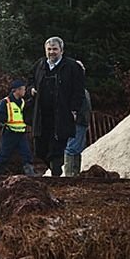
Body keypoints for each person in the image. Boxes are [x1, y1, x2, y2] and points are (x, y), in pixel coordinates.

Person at [28, 36, 86, 177]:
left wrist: (74, 109)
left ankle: (56, 175)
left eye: (55, 49)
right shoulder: (40, 65)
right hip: (42, 115)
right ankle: (54, 168)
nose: (52, 52)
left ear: (61, 50)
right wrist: (31, 89)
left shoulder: (71, 67)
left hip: (61, 114)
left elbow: (79, 91)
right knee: (40, 149)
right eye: (49, 49)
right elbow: (30, 80)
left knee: (57, 147)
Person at [0, 79, 36, 176]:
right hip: (10, 132)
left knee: (26, 153)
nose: (25, 92)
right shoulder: (6, 102)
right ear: (17, 90)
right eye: (23, 89)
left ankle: (30, 172)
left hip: (21, 133)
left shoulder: (22, 102)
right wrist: (6, 120)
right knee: (4, 153)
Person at [64, 61, 92, 177]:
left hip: (82, 121)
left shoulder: (80, 88)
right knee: (72, 148)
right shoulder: (70, 87)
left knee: (78, 148)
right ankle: (69, 175)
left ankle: (75, 174)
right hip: (75, 121)